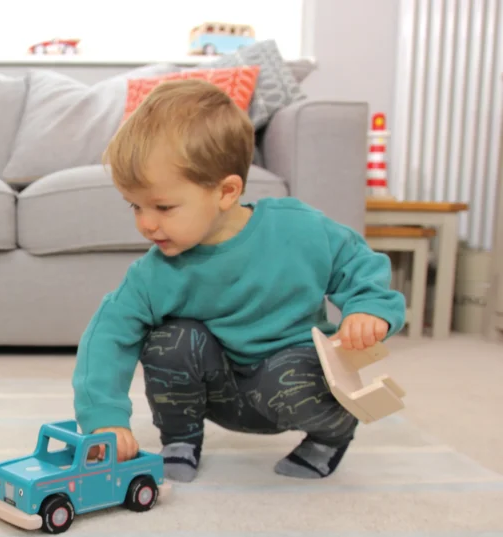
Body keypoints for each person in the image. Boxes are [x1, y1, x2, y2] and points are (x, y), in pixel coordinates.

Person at [72, 79, 406, 483]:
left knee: (283, 375)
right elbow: (108, 334)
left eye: (162, 206)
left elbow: (356, 261)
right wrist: (104, 417)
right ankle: (180, 438)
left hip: (294, 382)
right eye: (135, 206)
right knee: (168, 341)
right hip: (222, 393)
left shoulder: (295, 229)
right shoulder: (155, 272)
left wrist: (368, 308)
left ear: (226, 191)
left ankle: (330, 435)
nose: (146, 223)